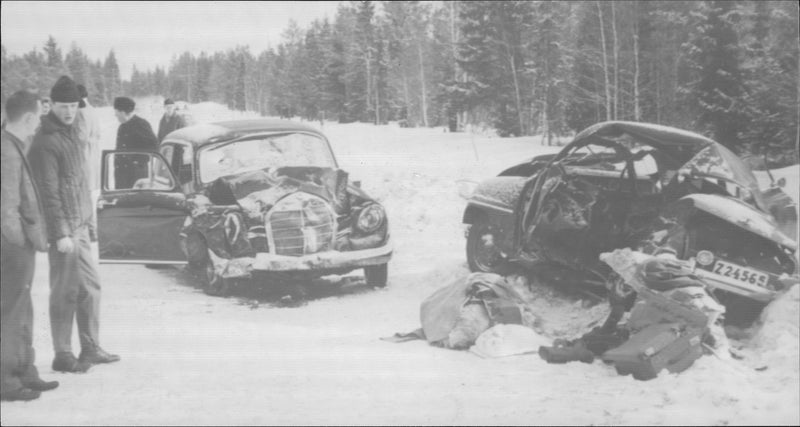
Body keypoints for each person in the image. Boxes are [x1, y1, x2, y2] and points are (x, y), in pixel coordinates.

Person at [28, 76, 120, 373]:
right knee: (65, 289)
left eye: (72, 106)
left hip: (79, 225)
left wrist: (89, 223)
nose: (68, 111)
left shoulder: (72, 134)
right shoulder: (45, 141)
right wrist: (60, 232)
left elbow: (81, 184)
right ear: (50, 105)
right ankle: (63, 353)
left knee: (91, 288)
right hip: (64, 231)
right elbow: (48, 192)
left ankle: (90, 347)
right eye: (62, 105)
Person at [1, 90, 60, 401]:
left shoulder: (14, 144)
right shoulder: (6, 150)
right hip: (12, 247)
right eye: (38, 116)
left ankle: (25, 371)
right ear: (26, 118)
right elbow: (6, 207)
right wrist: (18, 242)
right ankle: (7, 383)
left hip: (19, 244)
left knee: (23, 308)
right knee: (10, 311)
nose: (39, 122)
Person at [113, 96, 158, 188]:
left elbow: (154, 146)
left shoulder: (141, 124)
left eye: (116, 112)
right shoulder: (122, 127)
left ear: (122, 112)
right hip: (122, 174)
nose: (115, 115)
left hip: (136, 175)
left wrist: (137, 161)